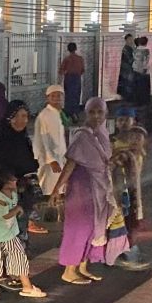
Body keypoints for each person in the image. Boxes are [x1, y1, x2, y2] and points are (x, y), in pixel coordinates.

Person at [51, 96, 113, 285]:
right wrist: (56, 189)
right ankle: (70, 270)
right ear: (85, 114)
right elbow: (70, 164)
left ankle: (83, 266)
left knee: (95, 227)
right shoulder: (82, 135)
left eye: (99, 112)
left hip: (99, 189)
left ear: (105, 114)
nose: (95, 116)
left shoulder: (102, 134)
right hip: (81, 188)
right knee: (79, 228)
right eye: (92, 112)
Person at [0, 170, 47, 300]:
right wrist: (18, 209)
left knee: (19, 257)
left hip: (10, 233)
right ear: (4, 184)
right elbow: (5, 215)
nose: (15, 181)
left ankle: (27, 286)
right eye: (12, 180)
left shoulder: (13, 194)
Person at [0, 100, 42, 237]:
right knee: (6, 227)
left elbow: (28, 161)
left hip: (24, 192)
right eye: (18, 116)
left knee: (21, 225)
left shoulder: (23, 138)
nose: (22, 120)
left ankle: (20, 252)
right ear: (10, 118)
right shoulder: (0, 140)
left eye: (25, 116)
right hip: (6, 191)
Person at [108, 105, 151, 270]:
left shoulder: (137, 137)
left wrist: (117, 158)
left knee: (132, 219)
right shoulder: (112, 140)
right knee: (118, 219)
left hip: (132, 188)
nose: (124, 123)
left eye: (127, 119)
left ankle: (128, 249)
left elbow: (132, 153)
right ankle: (120, 251)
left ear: (133, 121)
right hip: (116, 188)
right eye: (120, 120)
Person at [32, 85, 67, 231]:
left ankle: (54, 217)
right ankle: (38, 218)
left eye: (59, 96)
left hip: (60, 156)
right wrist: (50, 159)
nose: (57, 98)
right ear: (48, 98)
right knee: (46, 188)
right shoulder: (44, 115)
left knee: (57, 188)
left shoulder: (59, 114)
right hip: (49, 159)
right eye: (53, 96)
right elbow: (43, 139)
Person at [59, 43, 86, 121]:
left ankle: (68, 113)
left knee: (68, 96)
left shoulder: (67, 59)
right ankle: (75, 112)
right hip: (77, 78)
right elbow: (82, 70)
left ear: (68, 49)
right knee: (76, 95)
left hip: (69, 78)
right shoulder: (80, 59)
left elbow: (61, 71)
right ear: (76, 49)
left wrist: (66, 72)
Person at [117, 33, 136, 101]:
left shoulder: (130, 49)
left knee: (128, 84)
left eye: (132, 39)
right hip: (126, 69)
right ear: (126, 40)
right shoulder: (125, 49)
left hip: (128, 69)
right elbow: (129, 60)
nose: (131, 41)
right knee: (127, 84)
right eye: (130, 39)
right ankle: (126, 98)